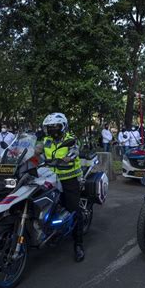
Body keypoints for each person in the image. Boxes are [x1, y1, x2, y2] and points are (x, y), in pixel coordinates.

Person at [38, 112, 85, 262]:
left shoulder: (71, 140)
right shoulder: (46, 141)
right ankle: (50, 232)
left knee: (73, 210)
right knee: (47, 206)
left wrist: (66, 158)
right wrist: (25, 153)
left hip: (69, 179)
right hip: (50, 179)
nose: (52, 130)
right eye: (49, 127)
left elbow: (73, 153)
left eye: (55, 127)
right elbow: (37, 150)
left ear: (63, 127)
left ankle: (78, 244)